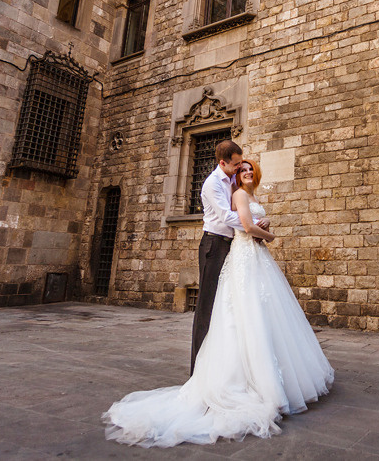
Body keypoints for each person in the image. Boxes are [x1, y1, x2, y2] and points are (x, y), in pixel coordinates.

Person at [103, 159, 334, 448]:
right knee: (243, 314)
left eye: (250, 169)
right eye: (242, 169)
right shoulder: (235, 193)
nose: (247, 172)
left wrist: (264, 223)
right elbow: (246, 225)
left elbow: (252, 221)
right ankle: (248, 382)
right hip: (245, 255)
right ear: (234, 171)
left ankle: (275, 376)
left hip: (255, 258)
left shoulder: (250, 195)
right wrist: (270, 234)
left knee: (264, 314)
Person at [189, 139, 262, 374]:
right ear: (223, 163)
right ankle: (198, 369)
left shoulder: (233, 178)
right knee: (207, 306)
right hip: (213, 244)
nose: (240, 168)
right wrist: (253, 225)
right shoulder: (212, 184)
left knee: (227, 304)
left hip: (232, 246)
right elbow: (225, 217)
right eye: (236, 164)